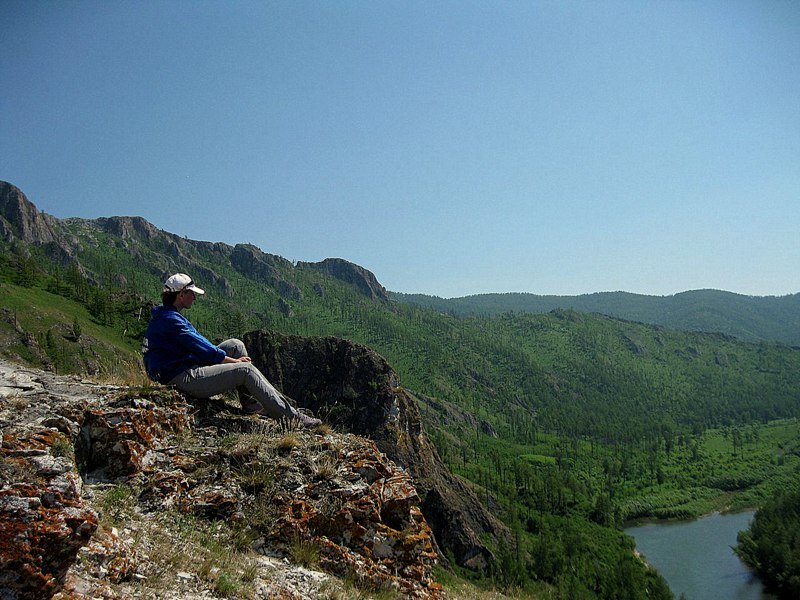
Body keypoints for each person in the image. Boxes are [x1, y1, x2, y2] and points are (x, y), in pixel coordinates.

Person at [142, 273, 321, 428]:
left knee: (235, 345)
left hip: (181, 366)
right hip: (181, 377)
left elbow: (200, 347)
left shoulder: (166, 316)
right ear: (181, 295)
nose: (194, 298)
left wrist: (231, 358)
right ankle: (291, 418)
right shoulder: (172, 321)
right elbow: (206, 351)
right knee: (246, 370)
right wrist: (236, 363)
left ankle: (251, 404)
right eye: (192, 294)